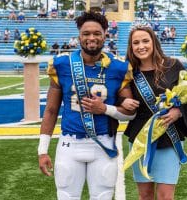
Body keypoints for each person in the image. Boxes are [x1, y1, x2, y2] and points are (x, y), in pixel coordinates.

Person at [38, 11, 136, 200]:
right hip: (69, 144)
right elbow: (50, 110)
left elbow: (130, 113)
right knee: (66, 196)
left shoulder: (118, 67)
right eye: (86, 33)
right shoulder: (63, 64)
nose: (92, 38)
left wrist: (105, 109)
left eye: (97, 33)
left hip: (103, 144)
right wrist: (42, 150)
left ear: (105, 34)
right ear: (79, 36)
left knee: (103, 196)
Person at [122, 25, 187, 200]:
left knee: (166, 196)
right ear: (131, 47)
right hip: (140, 138)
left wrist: (178, 112)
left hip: (169, 136)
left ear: (154, 42)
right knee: (145, 195)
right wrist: (123, 100)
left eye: (145, 41)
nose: (141, 46)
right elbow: (118, 97)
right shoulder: (128, 72)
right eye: (136, 42)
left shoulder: (173, 65)